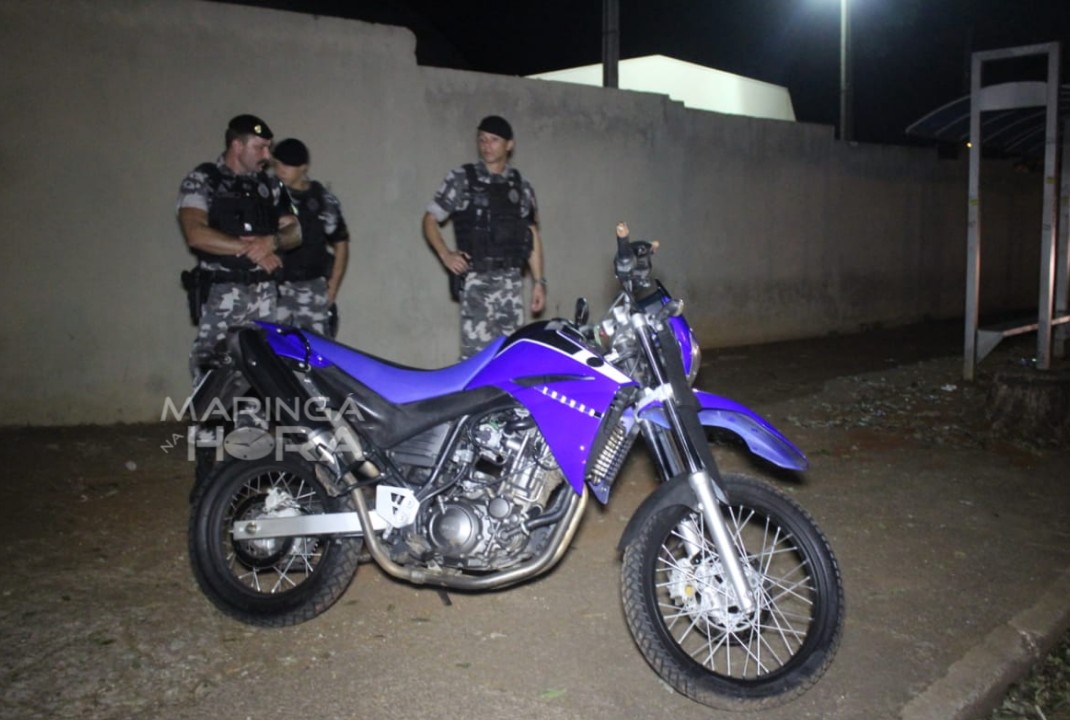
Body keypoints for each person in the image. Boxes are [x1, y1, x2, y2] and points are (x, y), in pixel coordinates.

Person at [177, 114, 301, 382]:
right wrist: (250, 249)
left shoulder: (270, 186)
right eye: (260, 147)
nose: (267, 155)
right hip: (222, 294)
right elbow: (195, 233)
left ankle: (250, 424)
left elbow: (295, 231)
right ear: (237, 146)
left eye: (268, 147)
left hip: (264, 298)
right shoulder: (204, 179)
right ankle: (213, 424)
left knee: (263, 375)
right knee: (213, 371)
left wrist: (271, 242)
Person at [422, 115, 545, 359]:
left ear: (509, 145)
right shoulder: (462, 179)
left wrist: (539, 282)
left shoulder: (521, 185)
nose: (486, 145)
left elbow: (531, 234)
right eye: (482, 139)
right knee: (475, 360)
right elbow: (429, 220)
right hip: (477, 282)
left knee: (510, 357)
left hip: (510, 283)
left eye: (494, 140)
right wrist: (446, 255)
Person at [271, 138, 350, 337]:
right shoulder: (268, 195)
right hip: (276, 288)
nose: (281, 170)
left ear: (303, 167)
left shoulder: (322, 199)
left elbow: (341, 243)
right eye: (277, 164)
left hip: (312, 288)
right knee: (272, 351)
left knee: (319, 353)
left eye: (287, 165)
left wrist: (332, 288)